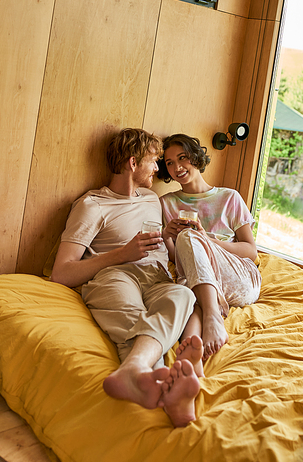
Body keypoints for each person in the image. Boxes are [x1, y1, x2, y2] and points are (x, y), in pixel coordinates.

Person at [50, 128, 201, 427]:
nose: (158, 169)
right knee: (134, 317)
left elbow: (165, 252)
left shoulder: (151, 200)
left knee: (183, 295)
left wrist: (174, 239)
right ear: (133, 163)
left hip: (157, 278)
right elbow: (61, 272)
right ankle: (164, 393)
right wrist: (122, 253)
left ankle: (135, 372)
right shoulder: (92, 205)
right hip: (114, 275)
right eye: (154, 161)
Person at [158, 133, 261, 361]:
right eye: (170, 163)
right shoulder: (167, 203)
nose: (177, 167)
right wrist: (167, 236)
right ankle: (190, 352)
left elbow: (251, 251)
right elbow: (178, 259)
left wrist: (208, 240)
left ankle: (213, 316)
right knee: (187, 284)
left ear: (195, 158)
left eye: (182, 157)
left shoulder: (229, 197)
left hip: (239, 277)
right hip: (200, 279)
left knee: (189, 240)